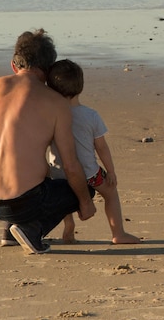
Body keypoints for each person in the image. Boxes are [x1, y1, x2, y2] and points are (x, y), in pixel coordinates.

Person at [0, 29, 97, 254]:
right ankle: (32, 229)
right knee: (82, 188)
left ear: (13, 65)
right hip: (21, 203)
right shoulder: (57, 104)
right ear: (48, 71)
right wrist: (86, 202)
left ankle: (9, 232)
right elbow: (71, 165)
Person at [46, 59, 141, 244]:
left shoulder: (50, 116)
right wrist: (111, 171)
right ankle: (118, 233)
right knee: (110, 193)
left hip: (58, 173)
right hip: (89, 173)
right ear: (80, 86)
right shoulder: (90, 115)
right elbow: (101, 147)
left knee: (64, 196)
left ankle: (69, 228)